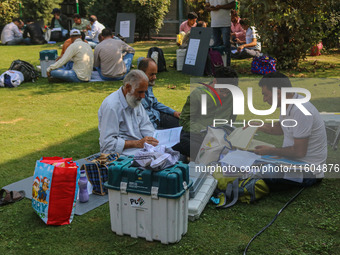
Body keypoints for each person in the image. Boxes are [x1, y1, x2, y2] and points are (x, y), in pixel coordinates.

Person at [253, 72, 327, 187]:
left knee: (262, 170)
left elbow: (299, 152)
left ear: (278, 93)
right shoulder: (288, 103)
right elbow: (281, 128)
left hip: (308, 170)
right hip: (289, 161)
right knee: (252, 161)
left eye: (266, 95)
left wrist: (271, 150)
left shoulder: (301, 110)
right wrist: (258, 126)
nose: (264, 99)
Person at [175, 66, 238, 158]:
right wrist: (205, 130)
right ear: (215, 81)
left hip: (222, 137)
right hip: (199, 136)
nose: (225, 95)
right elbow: (184, 121)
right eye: (223, 90)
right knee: (184, 141)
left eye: (228, 92)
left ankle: (215, 154)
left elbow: (232, 120)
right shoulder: (197, 95)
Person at [98, 70, 159, 155]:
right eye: (140, 92)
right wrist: (137, 143)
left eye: (144, 92)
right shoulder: (112, 106)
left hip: (140, 149)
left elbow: (146, 126)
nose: (143, 96)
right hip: (120, 154)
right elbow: (107, 144)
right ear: (128, 87)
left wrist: (154, 140)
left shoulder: (135, 100)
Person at [138, 58, 181, 129]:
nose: (155, 77)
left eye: (155, 74)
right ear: (141, 74)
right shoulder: (133, 93)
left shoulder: (148, 84)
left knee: (182, 125)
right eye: (151, 74)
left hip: (157, 117)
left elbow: (155, 103)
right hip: (150, 126)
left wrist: (174, 112)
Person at [205, 0, 235, 66]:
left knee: (226, 44)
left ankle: (227, 65)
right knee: (216, 45)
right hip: (214, 24)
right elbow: (206, 7)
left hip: (225, 23)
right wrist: (210, 8)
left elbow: (233, 4)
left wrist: (221, 7)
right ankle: (217, 64)